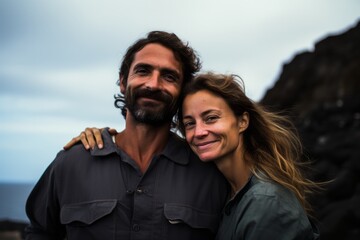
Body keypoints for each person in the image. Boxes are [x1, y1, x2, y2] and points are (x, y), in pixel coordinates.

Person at [25, 31, 229, 240]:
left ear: (182, 91)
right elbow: (39, 232)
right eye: (143, 71)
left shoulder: (210, 174)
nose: (153, 84)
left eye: (169, 77)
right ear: (123, 82)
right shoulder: (70, 164)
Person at [72, 72, 320, 239]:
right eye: (189, 123)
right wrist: (107, 139)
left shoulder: (268, 204)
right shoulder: (224, 188)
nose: (199, 132)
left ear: (242, 121)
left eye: (211, 118)